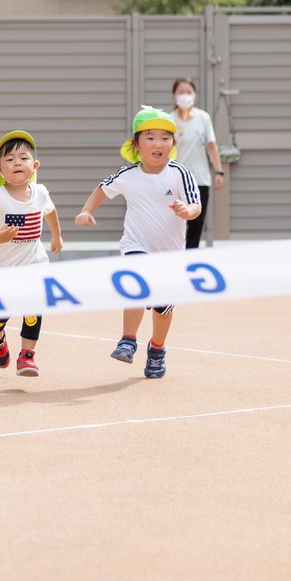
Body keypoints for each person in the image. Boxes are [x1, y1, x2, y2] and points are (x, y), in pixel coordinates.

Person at [73, 106, 201, 379]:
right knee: (135, 283)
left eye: (165, 138)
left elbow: (196, 206)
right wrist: (86, 210)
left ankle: (156, 349)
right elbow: (101, 189)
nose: (158, 144)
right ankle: (128, 341)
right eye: (150, 137)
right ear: (136, 144)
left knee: (162, 305)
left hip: (169, 255)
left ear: (173, 144)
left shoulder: (180, 173)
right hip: (136, 244)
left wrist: (186, 211)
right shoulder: (127, 175)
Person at [0, 130, 62, 376]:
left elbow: (50, 211)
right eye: (9, 159)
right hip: (2, 270)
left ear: (35, 165)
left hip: (35, 262)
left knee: (35, 303)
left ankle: (27, 356)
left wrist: (56, 235)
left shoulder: (41, 192)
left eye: (23, 157)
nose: (17, 163)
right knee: (1, 315)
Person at [170, 77, 224, 249]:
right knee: (174, 226)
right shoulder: (169, 120)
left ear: (194, 94)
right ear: (174, 96)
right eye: (181, 92)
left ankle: (189, 260)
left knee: (195, 226)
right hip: (175, 180)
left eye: (188, 92)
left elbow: (211, 145)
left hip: (200, 180)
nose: (185, 96)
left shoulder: (203, 118)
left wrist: (219, 171)